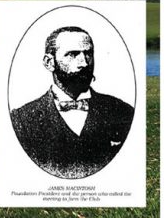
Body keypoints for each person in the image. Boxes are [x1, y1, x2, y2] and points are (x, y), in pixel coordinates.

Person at [10, 26, 133, 179]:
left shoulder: (123, 111)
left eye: (88, 54)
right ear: (49, 62)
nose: (84, 63)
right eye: (72, 54)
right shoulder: (21, 119)